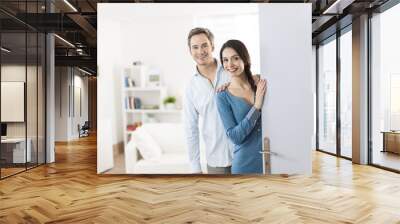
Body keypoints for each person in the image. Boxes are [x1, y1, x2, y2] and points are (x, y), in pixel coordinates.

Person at [183, 27, 233, 174]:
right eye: (195, 47)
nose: (200, 51)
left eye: (204, 45)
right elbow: (190, 129)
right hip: (215, 161)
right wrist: (195, 168)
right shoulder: (191, 87)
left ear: (212, 45)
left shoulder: (230, 70)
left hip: (242, 155)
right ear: (190, 50)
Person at [216, 39, 267, 174]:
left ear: (245, 59)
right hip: (244, 166)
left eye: (235, 58)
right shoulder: (222, 96)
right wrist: (256, 108)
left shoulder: (260, 83)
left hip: (272, 160)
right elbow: (235, 137)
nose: (230, 64)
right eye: (225, 60)